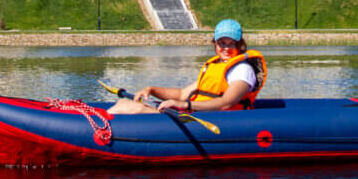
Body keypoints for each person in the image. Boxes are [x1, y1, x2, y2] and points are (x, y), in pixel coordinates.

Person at [108, 19, 267, 115]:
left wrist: (186, 105)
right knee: (123, 104)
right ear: (215, 43)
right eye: (221, 43)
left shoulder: (242, 70)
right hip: (197, 114)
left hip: (218, 120)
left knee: (133, 108)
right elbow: (182, 93)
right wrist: (151, 89)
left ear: (240, 44)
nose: (226, 47)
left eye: (231, 43)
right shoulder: (215, 66)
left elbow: (226, 103)